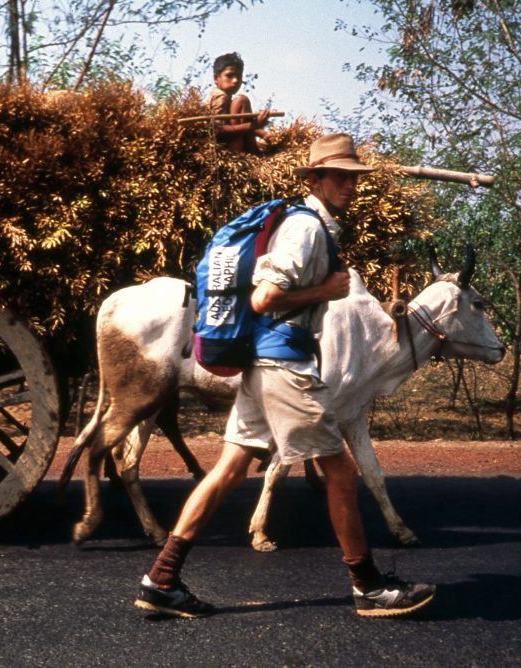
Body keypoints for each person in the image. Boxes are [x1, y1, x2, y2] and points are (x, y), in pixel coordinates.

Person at [134, 133, 436, 619]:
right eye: (339, 177)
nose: (350, 185)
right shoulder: (305, 229)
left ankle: (161, 580)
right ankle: (368, 586)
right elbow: (263, 298)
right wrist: (327, 291)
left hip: (265, 364)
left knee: (229, 471)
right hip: (284, 366)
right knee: (342, 473)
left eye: (354, 178)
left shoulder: (311, 226)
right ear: (314, 180)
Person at [208, 52, 271, 154]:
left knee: (240, 102)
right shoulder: (220, 96)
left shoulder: (227, 97)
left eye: (239, 76)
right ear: (216, 78)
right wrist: (255, 125)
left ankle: (253, 151)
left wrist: (263, 133)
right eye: (229, 76)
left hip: (231, 143)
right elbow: (216, 130)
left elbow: (240, 124)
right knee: (241, 101)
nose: (235, 80)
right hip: (227, 150)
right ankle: (250, 152)